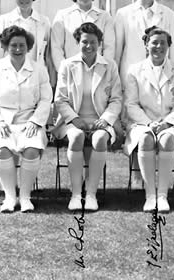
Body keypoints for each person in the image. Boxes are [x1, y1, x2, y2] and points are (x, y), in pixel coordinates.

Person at [115, 0, 174, 189]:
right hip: (132, 76)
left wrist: (173, 76)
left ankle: (158, 177)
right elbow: (118, 48)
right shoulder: (123, 14)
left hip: (160, 76)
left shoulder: (168, 14)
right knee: (136, 125)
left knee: (161, 124)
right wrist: (118, 80)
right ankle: (136, 174)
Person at [0, 26, 52, 212]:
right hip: (1, 122)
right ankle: (10, 197)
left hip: (30, 120)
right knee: (2, 149)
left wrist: (35, 121)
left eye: (22, 45)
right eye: (13, 45)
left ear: (28, 47)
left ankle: (25, 197)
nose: (18, 49)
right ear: (5, 46)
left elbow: (46, 99)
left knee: (31, 149)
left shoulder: (38, 69)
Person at [53, 22, 122, 211]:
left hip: (100, 121)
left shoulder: (109, 66)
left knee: (100, 139)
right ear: (78, 42)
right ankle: (76, 194)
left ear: (99, 43)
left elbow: (116, 99)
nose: (89, 46)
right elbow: (60, 99)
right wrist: (75, 119)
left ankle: (91, 194)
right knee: (76, 137)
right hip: (73, 121)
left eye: (93, 42)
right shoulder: (67, 65)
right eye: (84, 42)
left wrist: (106, 120)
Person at [124, 26, 174, 213]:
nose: (158, 47)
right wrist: (149, 123)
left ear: (169, 46)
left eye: (163, 43)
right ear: (146, 45)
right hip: (142, 123)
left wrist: (167, 123)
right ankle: (150, 195)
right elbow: (131, 104)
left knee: (167, 139)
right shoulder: (134, 70)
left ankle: (162, 196)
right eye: (154, 42)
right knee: (145, 138)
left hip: (171, 123)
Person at [51, 0, 115, 77]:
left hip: (98, 74)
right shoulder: (62, 16)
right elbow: (56, 49)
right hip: (70, 74)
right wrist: (65, 73)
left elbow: (109, 48)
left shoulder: (105, 17)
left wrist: (103, 72)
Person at [0, 0, 53, 84]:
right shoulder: (4, 20)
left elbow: (48, 55)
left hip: (36, 78)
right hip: (9, 78)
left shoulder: (44, 22)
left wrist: (51, 80)